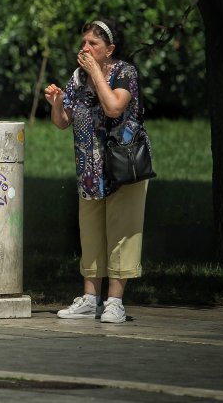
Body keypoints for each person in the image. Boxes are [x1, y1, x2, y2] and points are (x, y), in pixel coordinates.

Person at [43, 18, 152, 324]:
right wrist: (57, 103)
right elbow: (63, 121)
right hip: (89, 166)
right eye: (84, 42)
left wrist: (96, 73)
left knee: (122, 232)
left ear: (110, 49)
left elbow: (114, 107)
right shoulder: (78, 77)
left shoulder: (124, 73)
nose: (85, 48)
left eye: (94, 44)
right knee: (90, 232)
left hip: (122, 165)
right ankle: (90, 299)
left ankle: (115, 302)